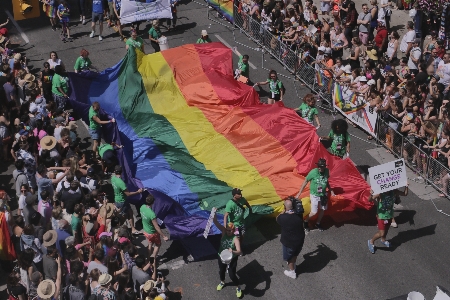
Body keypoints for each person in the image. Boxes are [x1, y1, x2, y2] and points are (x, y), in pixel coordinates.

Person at [367, 184, 409, 254]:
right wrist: (371, 194)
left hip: (389, 215)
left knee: (386, 229)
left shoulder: (394, 191)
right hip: (381, 216)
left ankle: (383, 240)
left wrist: (406, 186)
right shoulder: (380, 193)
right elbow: (369, 200)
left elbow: (405, 194)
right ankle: (371, 241)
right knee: (381, 233)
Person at [295, 158, 333, 232]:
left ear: (325, 166)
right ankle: (305, 221)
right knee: (314, 212)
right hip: (314, 195)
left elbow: (326, 181)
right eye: (319, 166)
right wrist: (299, 193)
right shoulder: (313, 172)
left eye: (322, 167)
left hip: (323, 194)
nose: (320, 168)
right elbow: (305, 181)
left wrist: (331, 190)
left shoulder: (327, 171)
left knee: (323, 209)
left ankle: (318, 223)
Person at [212, 212, 242, 298]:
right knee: (221, 271)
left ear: (233, 231)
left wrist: (232, 251)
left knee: (232, 274)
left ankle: (238, 287)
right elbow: (215, 222)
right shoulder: (224, 232)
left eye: (230, 230)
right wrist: (214, 214)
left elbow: (239, 251)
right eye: (228, 230)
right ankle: (222, 282)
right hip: (221, 255)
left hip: (232, 257)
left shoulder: (235, 239)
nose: (228, 231)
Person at [140, 194, 169, 279]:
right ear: (153, 202)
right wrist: (164, 236)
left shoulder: (142, 207)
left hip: (146, 231)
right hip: (153, 233)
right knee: (157, 245)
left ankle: (148, 259)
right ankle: (153, 258)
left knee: (149, 244)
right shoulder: (152, 214)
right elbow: (157, 227)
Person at [276, 197, 305, 279]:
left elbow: (277, 218)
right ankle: (294, 264)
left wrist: (283, 211)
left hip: (289, 243)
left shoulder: (283, 217)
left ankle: (292, 272)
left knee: (288, 258)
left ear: (285, 207)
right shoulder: (299, 214)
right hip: (300, 240)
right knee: (295, 254)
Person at [112, 165, 142, 234]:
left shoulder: (113, 178)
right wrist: (138, 192)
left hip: (119, 200)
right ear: (121, 172)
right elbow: (128, 194)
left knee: (130, 212)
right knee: (122, 217)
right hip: (121, 201)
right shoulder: (121, 183)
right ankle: (118, 230)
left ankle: (133, 229)